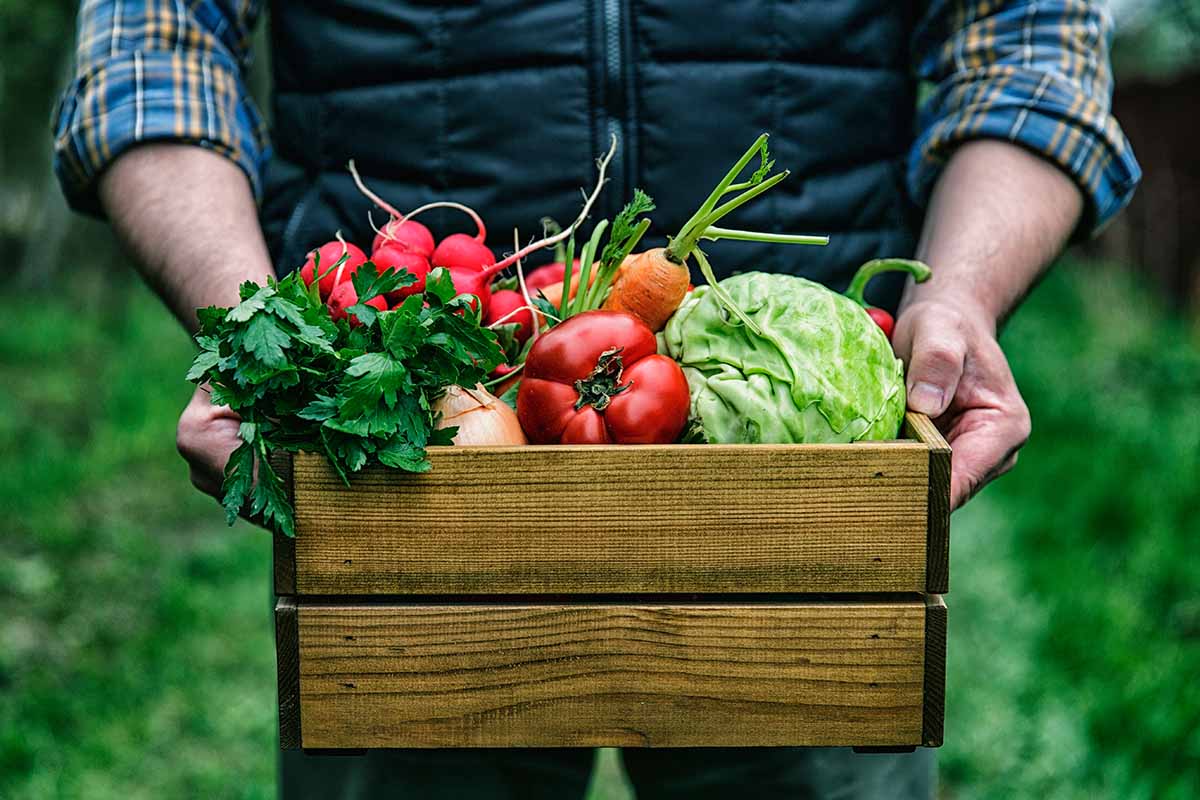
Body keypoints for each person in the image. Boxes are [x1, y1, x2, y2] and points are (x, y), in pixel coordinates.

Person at [53, 2, 1139, 798]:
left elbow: (1028, 47)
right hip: (404, 472)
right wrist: (253, 330)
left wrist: (961, 297)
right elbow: (154, 47)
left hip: (796, 491)